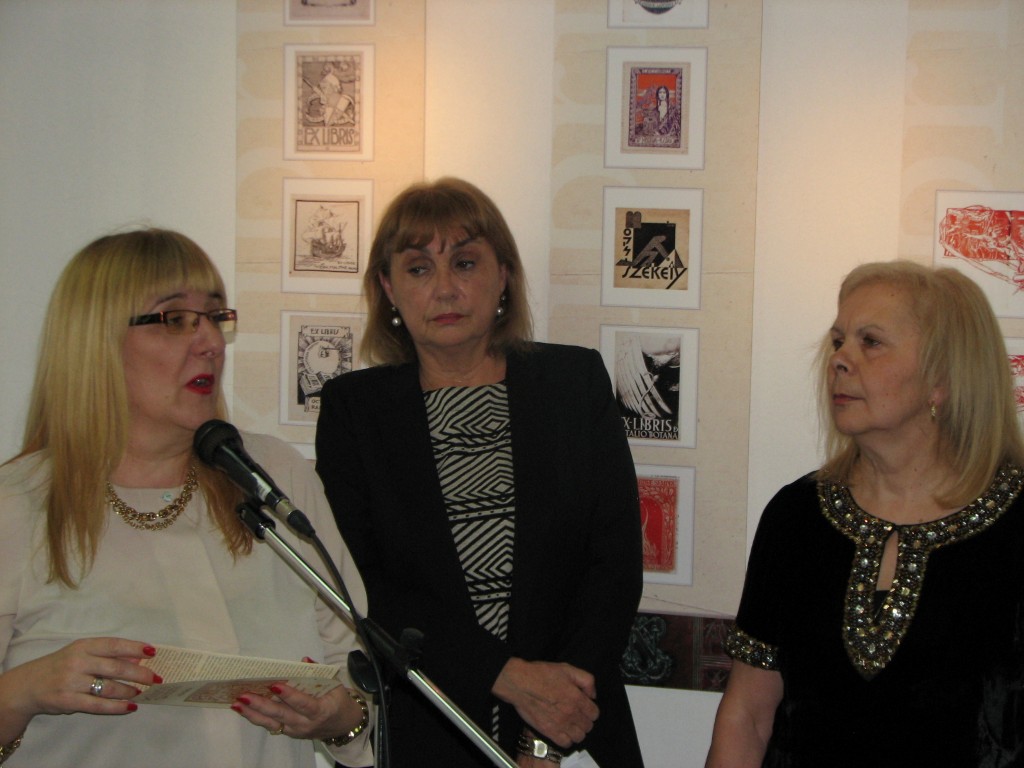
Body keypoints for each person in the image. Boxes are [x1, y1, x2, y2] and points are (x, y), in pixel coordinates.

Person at [0, 228, 372, 767]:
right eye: (175, 319)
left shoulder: (273, 476)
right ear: (96, 340)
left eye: (216, 317)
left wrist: (340, 719)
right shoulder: (17, 504)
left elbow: (361, 682)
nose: (212, 343)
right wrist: (22, 691)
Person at [315, 177, 645, 767]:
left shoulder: (573, 385)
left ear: (504, 276)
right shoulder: (355, 411)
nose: (445, 288)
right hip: (422, 732)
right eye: (418, 269)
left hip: (572, 732)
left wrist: (545, 737)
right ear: (388, 287)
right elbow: (363, 585)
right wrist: (502, 674)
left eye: (465, 263)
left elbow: (613, 566)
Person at [706, 260, 1024, 767]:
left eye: (870, 342)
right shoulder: (798, 516)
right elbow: (747, 715)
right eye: (838, 341)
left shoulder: (1015, 525)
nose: (840, 359)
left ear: (942, 378)